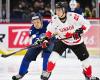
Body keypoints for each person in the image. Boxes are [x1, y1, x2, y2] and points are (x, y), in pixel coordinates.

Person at [41, 2, 100, 80]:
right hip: (62, 41)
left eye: (59, 10)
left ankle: (88, 76)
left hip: (77, 43)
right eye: (56, 10)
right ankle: (48, 71)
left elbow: (87, 24)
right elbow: (49, 30)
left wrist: (80, 31)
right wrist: (46, 39)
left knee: (86, 63)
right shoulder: (55, 19)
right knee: (53, 57)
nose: (57, 12)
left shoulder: (73, 16)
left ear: (64, 10)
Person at [12, 13, 54, 80]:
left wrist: (48, 38)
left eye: (37, 22)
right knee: (27, 57)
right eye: (34, 22)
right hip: (37, 44)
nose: (36, 24)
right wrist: (39, 39)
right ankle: (21, 73)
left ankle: (45, 71)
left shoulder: (48, 24)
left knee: (47, 54)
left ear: (41, 20)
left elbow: (54, 31)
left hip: (49, 42)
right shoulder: (32, 29)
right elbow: (34, 39)